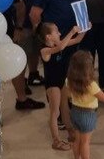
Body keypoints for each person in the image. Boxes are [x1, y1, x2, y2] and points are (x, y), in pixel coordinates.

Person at [37, 23, 86, 151]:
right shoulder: (45, 50)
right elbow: (61, 47)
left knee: (65, 107)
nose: (59, 34)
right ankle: (56, 141)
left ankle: (70, 131)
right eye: (57, 32)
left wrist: (85, 27)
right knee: (55, 111)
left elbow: (78, 39)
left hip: (61, 81)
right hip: (52, 84)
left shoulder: (58, 44)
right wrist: (71, 31)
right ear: (48, 37)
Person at [4, 0, 45, 88]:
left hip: (37, 23)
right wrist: (18, 27)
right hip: (21, 25)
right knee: (21, 56)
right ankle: (22, 86)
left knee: (34, 51)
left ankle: (33, 74)